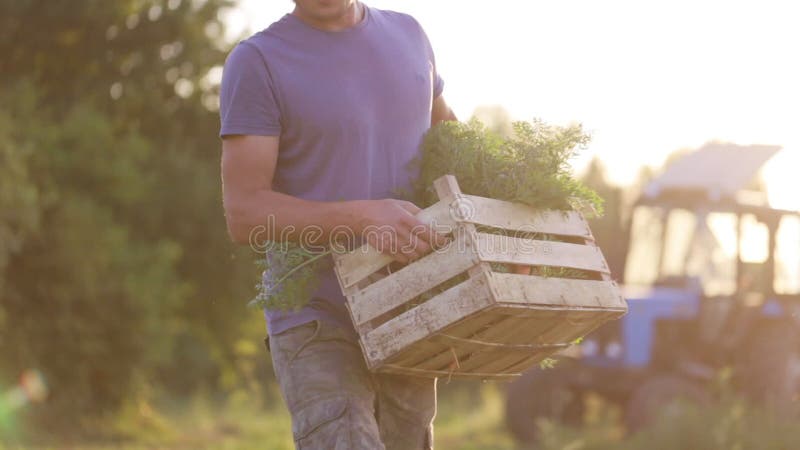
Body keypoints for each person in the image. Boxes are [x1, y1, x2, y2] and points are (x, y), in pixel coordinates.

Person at [218, 1, 456, 448]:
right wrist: (363, 217)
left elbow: (451, 148)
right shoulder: (258, 61)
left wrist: (503, 233)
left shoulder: (409, 35)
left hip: (410, 306)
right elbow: (244, 212)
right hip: (316, 313)